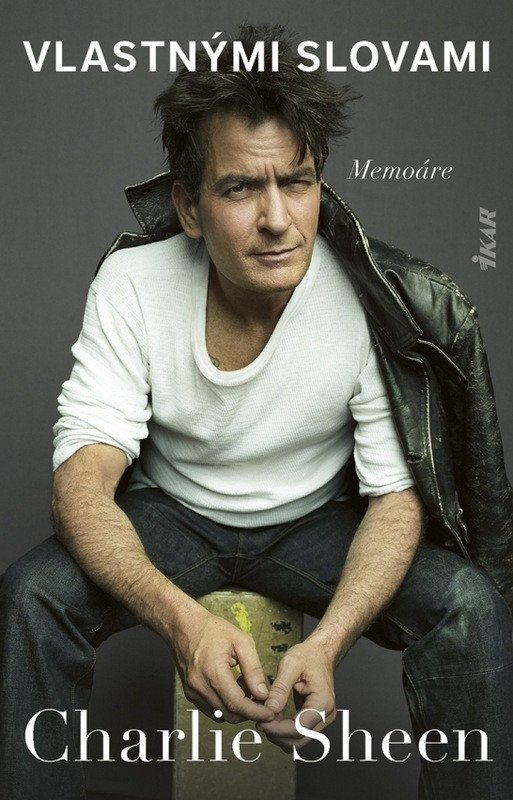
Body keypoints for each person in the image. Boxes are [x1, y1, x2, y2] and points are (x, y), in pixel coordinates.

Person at [1, 24, 512, 800]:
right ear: (189, 204)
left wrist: (328, 644)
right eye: (240, 188)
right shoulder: (133, 283)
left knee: (468, 605)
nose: (278, 219)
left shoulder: (369, 300)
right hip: (171, 517)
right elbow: (81, 483)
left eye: (296, 183)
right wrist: (183, 624)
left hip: (316, 525)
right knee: (30, 596)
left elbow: (394, 498)